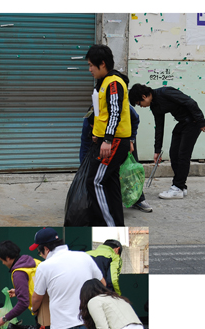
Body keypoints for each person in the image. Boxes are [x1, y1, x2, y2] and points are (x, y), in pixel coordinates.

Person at [128, 83, 205, 200]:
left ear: (144, 96)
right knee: (173, 154)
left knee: (183, 155)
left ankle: (178, 187)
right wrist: (157, 150)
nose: (141, 106)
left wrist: (201, 121)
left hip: (193, 123)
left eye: (139, 103)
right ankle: (181, 186)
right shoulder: (154, 106)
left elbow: (190, 102)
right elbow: (159, 128)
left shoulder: (165, 93)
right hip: (182, 123)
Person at [84, 44, 131, 227]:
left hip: (115, 142)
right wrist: (97, 133)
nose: (89, 70)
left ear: (102, 64)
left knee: (94, 182)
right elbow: (102, 113)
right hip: (110, 140)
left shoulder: (113, 83)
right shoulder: (104, 82)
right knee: (110, 185)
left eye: (91, 65)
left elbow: (115, 113)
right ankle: (117, 225)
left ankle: (108, 226)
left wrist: (107, 140)